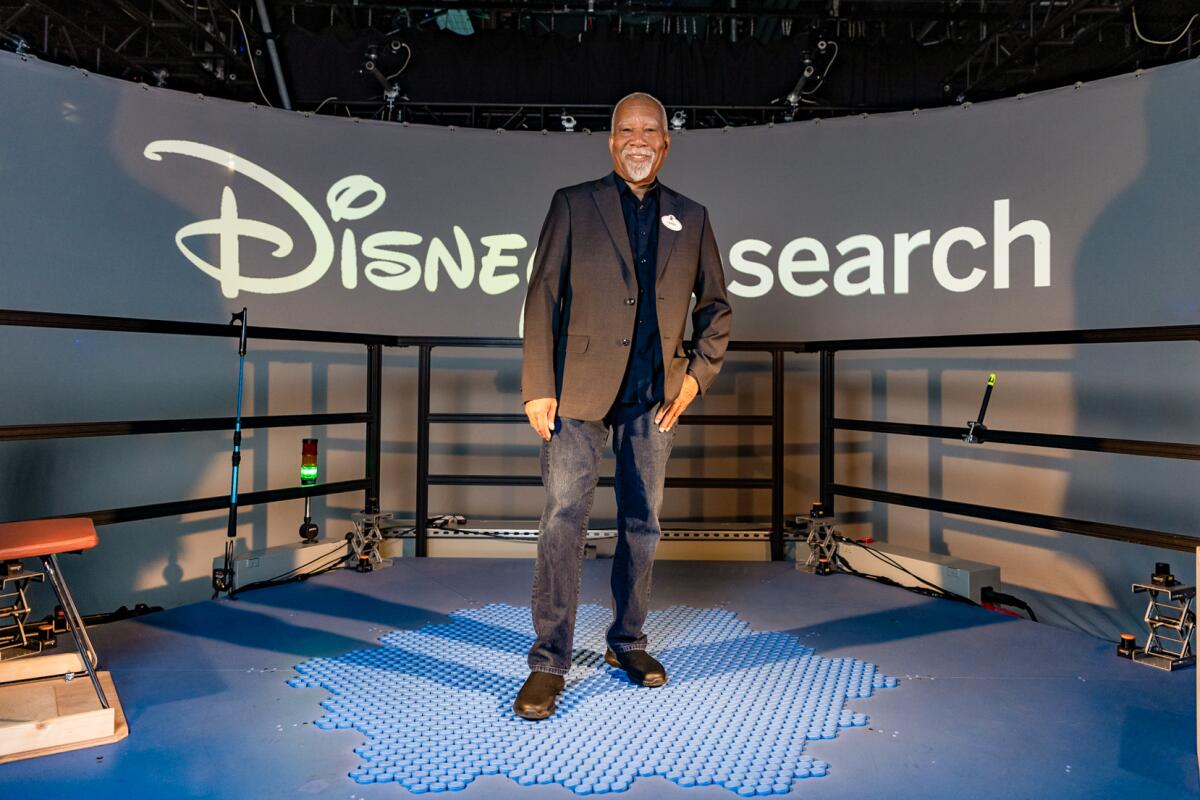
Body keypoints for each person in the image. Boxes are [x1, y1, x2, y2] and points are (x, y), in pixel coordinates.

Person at [514, 92, 732, 720]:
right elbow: (543, 294)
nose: (638, 140)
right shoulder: (574, 203)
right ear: (611, 142)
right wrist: (537, 383)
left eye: (650, 131)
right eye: (626, 130)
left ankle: (627, 643)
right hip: (576, 392)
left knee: (643, 523)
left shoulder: (692, 216)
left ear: (667, 142)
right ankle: (549, 663)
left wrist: (694, 380)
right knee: (562, 521)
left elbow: (716, 309)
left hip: (653, 398)